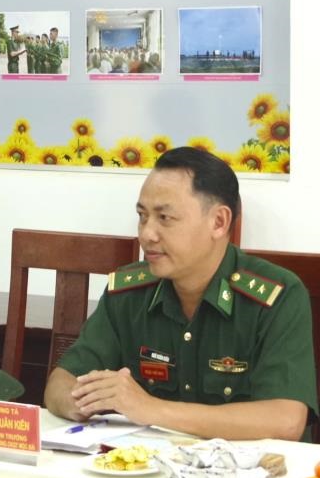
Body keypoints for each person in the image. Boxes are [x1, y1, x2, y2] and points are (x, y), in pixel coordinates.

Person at [46, 148, 317, 441]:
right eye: (142, 216)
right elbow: (60, 382)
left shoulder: (277, 296)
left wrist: (150, 409)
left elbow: (286, 420)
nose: (146, 234)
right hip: (145, 464)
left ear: (219, 222)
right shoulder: (127, 293)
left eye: (165, 217)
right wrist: (82, 402)